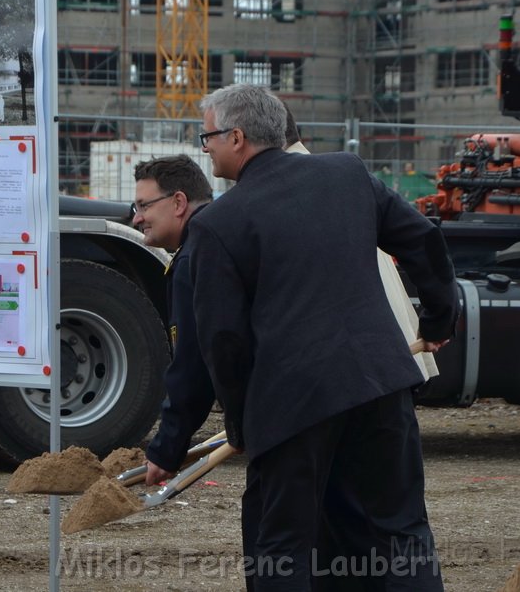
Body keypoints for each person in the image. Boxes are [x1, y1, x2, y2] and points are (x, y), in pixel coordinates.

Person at [189, 83, 459, 590]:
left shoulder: (218, 224)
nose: (205, 149)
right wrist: (440, 321)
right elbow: (423, 239)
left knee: (283, 548)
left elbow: (223, 340)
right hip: (380, 384)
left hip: (292, 406)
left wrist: (245, 421)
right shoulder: (347, 174)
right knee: (400, 532)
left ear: (237, 137)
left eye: (207, 138)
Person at [131, 155, 216, 486]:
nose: (137, 219)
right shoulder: (227, 232)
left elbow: (193, 367)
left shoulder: (195, 258)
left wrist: (166, 449)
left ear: (178, 202)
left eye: (144, 206)